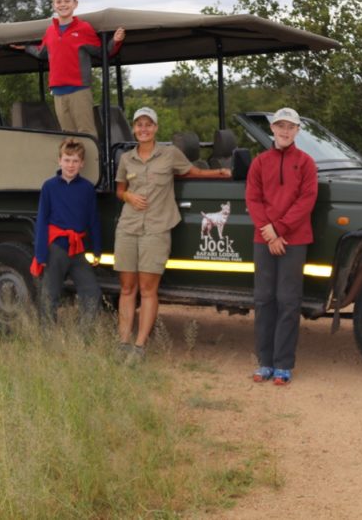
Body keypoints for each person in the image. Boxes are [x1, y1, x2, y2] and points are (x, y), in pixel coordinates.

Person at [114, 107, 231, 361]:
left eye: (148, 124)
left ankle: (139, 346)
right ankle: (122, 342)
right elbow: (120, 190)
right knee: (126, 288)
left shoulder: (169, 154)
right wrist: (128, 196)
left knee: (147, 289)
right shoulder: (126, 159)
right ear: (134, 129)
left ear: (156, 128)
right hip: (128, 226)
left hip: (156, 228)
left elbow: (192, 172)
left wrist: (219, 173)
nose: (143, 129)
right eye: (139, 125)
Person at [245, 107, 318, 386]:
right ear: (272, 129)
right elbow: (253, 198)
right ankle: (264, 362)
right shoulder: (260, 162)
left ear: (297, 131)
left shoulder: (307, 163)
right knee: (264, 299)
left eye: (290, 127)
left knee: (288, 300)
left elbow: (306, 200)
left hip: (294, 239)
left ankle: (283, 364)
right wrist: (269, 233)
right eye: (280, 126)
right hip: (264, 239)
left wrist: (279, 229)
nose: (285, 131)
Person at [12, 0, 125, 137]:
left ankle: (93, 161)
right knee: (68, 136)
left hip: (79, 90)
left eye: (67, 0)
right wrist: (25, 48)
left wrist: (115, 41)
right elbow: (41, 52)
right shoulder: (50, 31)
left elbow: (102, 52)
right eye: (59, 1)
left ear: (75, 4)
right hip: (58, 92)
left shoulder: (84, 28)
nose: (63, 4)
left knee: (87, 135)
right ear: (53, 5)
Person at [31, 137, 102, 331]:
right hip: (56, 248)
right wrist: (40, 254)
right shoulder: (49, 187)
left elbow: (93, 220)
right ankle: (48, 337)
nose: (71, 165)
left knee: (92, 293)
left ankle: (82, 336)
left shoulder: (87, 188)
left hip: (77, 250)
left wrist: (97, 249)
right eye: (67, 160)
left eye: (75, 161)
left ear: (82, 163)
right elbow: (42, 221)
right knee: (50, 294)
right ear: (59, 161)